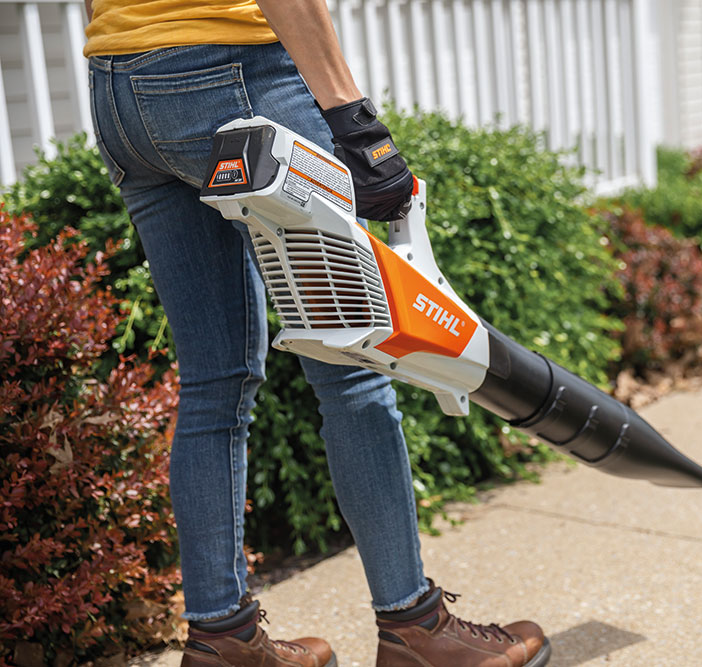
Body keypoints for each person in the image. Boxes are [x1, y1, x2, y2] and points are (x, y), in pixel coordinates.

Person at [82, 1, 551, 665]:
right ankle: (416, 627)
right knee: (352, 357)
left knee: (213, 380)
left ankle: (225, 639)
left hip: (119, 87)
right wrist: (353, 120)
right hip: (232, 68)